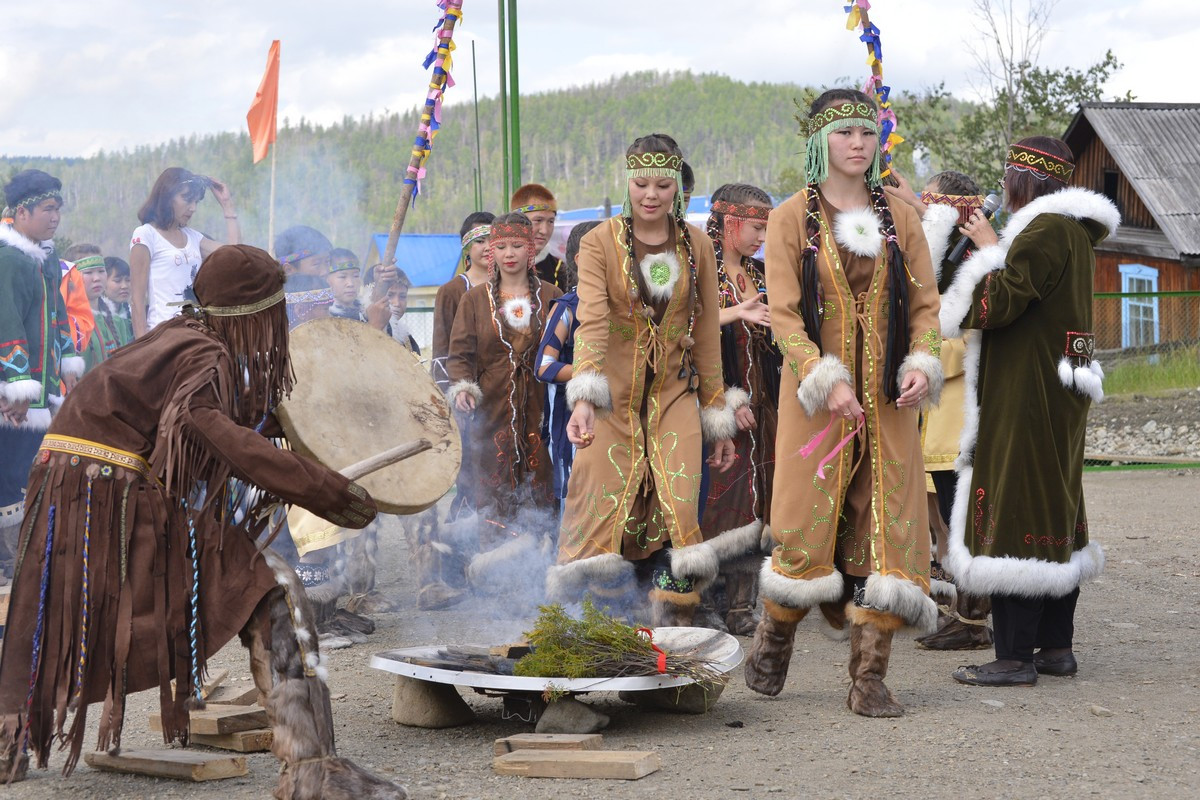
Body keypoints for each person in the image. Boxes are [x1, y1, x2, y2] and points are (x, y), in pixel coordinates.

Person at [0, 244, 406, 798]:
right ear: (254, 314)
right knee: (273, 590)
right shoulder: (202, 354)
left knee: (55, 621)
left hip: (75, 490)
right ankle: (311, 771)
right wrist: (322, 488)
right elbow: (209, 427)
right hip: (110, 494)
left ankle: (8, 743)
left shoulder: (184, 336)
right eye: (273, 312)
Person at [742, 90, 943, 717]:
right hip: (816, 401)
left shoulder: (902, 218)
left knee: (893, 528)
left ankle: (870, 676)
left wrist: (921, 363)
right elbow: (782, 315)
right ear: (818, 142)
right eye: (844, 133)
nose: (857, 143)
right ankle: (774, 640)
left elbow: (925, 308)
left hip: (888, 400)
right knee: (804, 522)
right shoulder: (789, 218)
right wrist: (821, 376)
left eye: (866, 132)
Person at [939, 137, 1117, 687]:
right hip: (1059, 390)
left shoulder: (1042, 231)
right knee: (1053, 508)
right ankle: (1056, 649)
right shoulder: (1073, 233)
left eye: (1009, 172)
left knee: (1014, 508)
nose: (1004, 182)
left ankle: (1014, 656)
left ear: (1025, 179)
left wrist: (990, 246)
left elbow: (995, 304)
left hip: (1027, 392)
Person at [546, 134, 737, 626]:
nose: (650, 194)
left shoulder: (697, 245)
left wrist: (717, 415)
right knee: (598, 493)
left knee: (680, 496)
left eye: (662, 184)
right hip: (612, 395)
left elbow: (708, 331)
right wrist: (585, 398)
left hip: (674, 391)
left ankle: (675, 621)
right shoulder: (597, 242)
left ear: (676, 186)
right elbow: (590, 322)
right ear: (627, 182)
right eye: (640, 183)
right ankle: (592, 619)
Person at [886, 169, 996, 651]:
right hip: (937, 414)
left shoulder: (976, 268)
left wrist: (922, 356)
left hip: (960, 415)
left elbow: (971, 340)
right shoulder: (946, 263)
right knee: (946, 519)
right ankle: (961, 613)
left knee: (962, 519)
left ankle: (972, 622)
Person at [446, 213, 562, 596]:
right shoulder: (473, 300)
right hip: (491, 412)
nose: (509, 253)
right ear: (490, 251)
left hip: (542, 410)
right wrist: (463, 387)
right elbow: (460, 354)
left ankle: (539, 578)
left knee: (541, 484)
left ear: (531, 249)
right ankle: (496, 584)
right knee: (492, 489)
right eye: (501, 246)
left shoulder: (550, 295)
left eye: (517, 245)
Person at [700, 183, 780, 636]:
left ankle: (740, 605)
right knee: (717, 501)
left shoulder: (762, 272)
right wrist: (731, 398)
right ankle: (704, 600)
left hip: (765, 400)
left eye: (766, 227)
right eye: (755, 226)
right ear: (730, 222)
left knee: (757, 499)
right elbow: (687, 333)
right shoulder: (700, 272)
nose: (760, 236)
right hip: (715, 402)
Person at [0, 170, 84, 579]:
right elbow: (6, 321)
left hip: (44, 394)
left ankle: (30, 566)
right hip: (13, 396)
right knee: (11, 477)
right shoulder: (8, 258)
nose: (55, 217)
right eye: (48, 209)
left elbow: (59, 317)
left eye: (58, 209)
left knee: (31, 472)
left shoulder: (44, 257)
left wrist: (68, 363)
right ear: (21, 212)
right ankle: (15, 569)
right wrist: (15, 386)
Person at [535, 220, 602, 510]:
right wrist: (592, 375)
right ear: (580, 259)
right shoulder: (567, 307)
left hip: (614, 418)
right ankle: (568, 552)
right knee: (575, 493)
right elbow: (544, 366)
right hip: (569, 418)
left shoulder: (626, 306)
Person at [130, 167, 240, 336]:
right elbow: (137, 300)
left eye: (196, 202)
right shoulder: (145, 234)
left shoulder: (194, 237)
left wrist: (227, 205)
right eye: (187, 199)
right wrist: (142, 348)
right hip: (163, 336)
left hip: (198, 334)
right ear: (167, 196)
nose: (193, 208)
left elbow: (236, 257)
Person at [432, 212, 495, 391]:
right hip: (465, 388)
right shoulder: (451, 291)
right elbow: (441, 347)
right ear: (466, 247)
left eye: (493, 240)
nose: (489, 247)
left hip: (503, 388)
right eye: (480, 241)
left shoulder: (511, 286)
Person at [511, 184, 568, 292]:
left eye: (551, 221)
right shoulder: (494, 266)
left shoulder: (560, 270)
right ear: (516, 222)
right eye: (538, 220)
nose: (545, 231)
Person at [94, 256, 135, 353]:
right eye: (117, 281)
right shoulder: (98, 317)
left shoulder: (130, 314)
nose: (124, 286)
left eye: (128, 280)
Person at [326, 248, 365, 321]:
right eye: (342, 277)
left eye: (356, 276)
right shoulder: (325, 317)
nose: (350, 284)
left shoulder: (368, 312)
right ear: (327, 280)